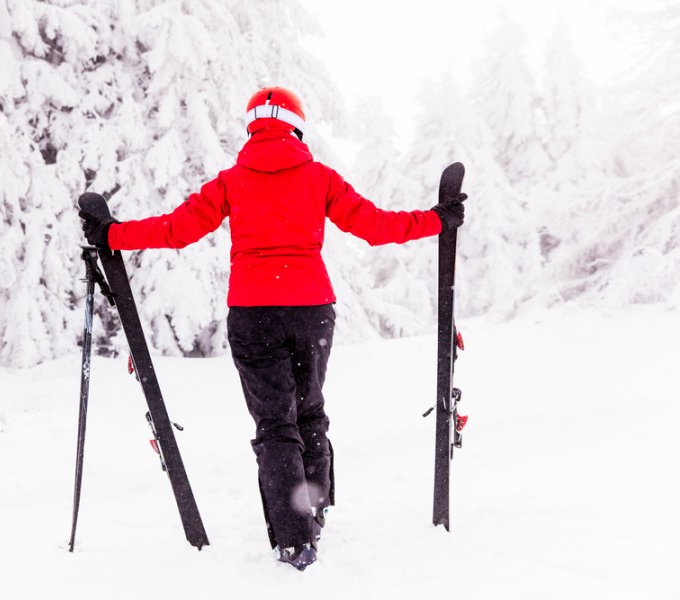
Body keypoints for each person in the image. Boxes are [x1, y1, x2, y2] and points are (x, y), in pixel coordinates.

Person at [79, 86, 466, 571]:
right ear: (296, 126)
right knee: (310, 414)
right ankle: (314, 512)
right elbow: (375, 226)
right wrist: (436, 221)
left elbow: (176, 229)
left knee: (276, 424)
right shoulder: (319, 177)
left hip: (254, 312)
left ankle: (294, 539)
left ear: (252, 128)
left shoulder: (231, 181)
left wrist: (112, 233)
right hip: (312, 310)